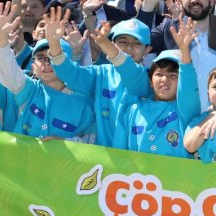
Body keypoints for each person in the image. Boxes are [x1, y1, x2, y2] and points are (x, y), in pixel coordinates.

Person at [48, 12, 152, 147]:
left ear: (147, 50)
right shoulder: (101, 73)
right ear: (113, 43)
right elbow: (69, 73)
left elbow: (129, 70)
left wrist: (107, 46)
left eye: (137, 43)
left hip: (139, 161)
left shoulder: (148, 77)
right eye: (122, 42)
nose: (129, 48)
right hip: (103, 159)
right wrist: (54, 43)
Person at [0, 3, 95, 141]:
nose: (46, 63)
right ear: (32, 66)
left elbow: (91, 140)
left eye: (52, 57)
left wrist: (66, 142)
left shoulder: (84, 103)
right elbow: (7, 69)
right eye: (40, 58)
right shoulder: (28, 90)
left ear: (66, 63)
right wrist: (0, 38)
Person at [113, 19, 201, 158]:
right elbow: (119, 152)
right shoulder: (133, 109)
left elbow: (189, 87)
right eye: (159, 74)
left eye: (173, 76)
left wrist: (184, 50)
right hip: (137, 178)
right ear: (150, 81)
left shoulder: (185, 110)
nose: (165, 80)